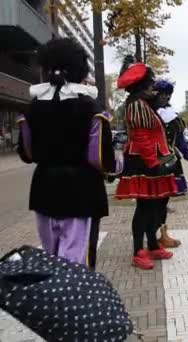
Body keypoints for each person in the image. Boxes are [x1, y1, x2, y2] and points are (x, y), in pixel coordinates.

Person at [16, 38, 118, 265]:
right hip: (82, 189)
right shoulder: (91, 107)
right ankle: (78, 299)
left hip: (44, 188)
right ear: (79, 70)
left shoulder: (31, 108)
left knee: (51, 256)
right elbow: (99, 158)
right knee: (78, 260)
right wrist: (118, 166)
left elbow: (26, 154)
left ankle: (55, 299)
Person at [115, 56, 177, 270]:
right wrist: (153, 163)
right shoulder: (137, 105)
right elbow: (141, 137)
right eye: (150, 83)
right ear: (142, 85)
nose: (153, 87)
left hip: (150, 161)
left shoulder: (142, 103)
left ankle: (151, 244)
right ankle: (138, 251)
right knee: (144, 208)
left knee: (153, 206)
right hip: (144, 163)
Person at [153, 80, 188, 248]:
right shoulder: (148, 113)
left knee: (164, 200)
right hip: (150, 164)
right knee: (151, 201)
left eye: (167, 94)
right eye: (161, 93)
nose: (164, 97)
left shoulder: (172, 116)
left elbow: (180, 141)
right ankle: (151, 236)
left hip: (169, 163)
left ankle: (162, 234)